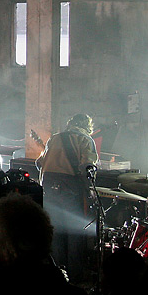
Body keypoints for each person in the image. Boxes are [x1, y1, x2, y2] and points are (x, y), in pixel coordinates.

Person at [35, 112, 98, 285]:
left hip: (49, 188)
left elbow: (39, 163)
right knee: (74, 232)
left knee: (55, 231)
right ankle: (75, 276)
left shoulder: (54, 138)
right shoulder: (85, 140)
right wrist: (90, 190)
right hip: (70, 188)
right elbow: (87, 167)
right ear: (87, 126)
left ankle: (57, 274)